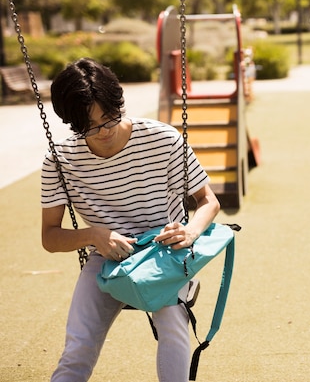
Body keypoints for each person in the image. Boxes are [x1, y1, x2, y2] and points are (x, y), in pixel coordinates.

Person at [41, 58, 221, 382]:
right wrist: (93, 236)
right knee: (77, 348)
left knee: (173, 325)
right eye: (90, 126)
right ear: (71, 122)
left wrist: (190, 231)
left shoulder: (162, 139)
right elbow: (50, 237)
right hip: (106, 260)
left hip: (164, 253)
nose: (104, 131)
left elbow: (208, 200)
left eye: (109, 118)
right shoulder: (60, 160)